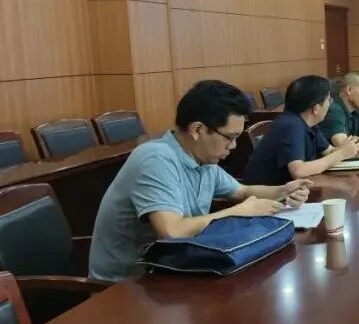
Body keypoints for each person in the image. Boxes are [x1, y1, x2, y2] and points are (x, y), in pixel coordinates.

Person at [89, 80, 312, 282]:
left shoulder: (203, 159)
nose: (233, 146)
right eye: (230, 137)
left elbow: (242, 191)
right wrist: (240, 212)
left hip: (177, 271)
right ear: (197, 130)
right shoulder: (156, 159)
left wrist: (283, 190)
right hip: (126, 285)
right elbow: (172, 232)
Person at [244, 75, 359, 185]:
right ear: (316, 108)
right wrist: (341, 154)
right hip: (266, 196)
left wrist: (347, 147)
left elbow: (329, 152)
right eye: (329, 100)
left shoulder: (309, 124)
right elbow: (298, 171)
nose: (330, 104)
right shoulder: (291, 125)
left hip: (291, 191)